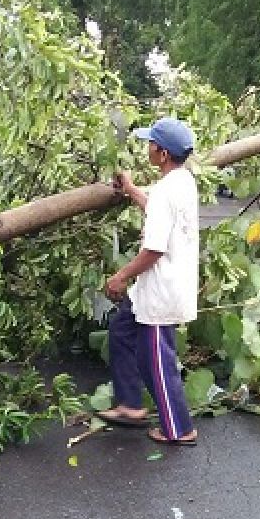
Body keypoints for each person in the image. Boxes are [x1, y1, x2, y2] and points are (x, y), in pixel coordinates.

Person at [98, 117, 200, 446]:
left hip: (161, 286)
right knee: (121, 330)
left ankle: (179, 429)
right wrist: (130, 190)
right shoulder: (181, 181)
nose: (147, 148)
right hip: (158, 285)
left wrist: (120, 276)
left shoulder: (169, 190)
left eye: (151, 144)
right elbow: (156, 208)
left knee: (156, 359)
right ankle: (130, 405)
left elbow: (154, 249)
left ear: (163, 153)